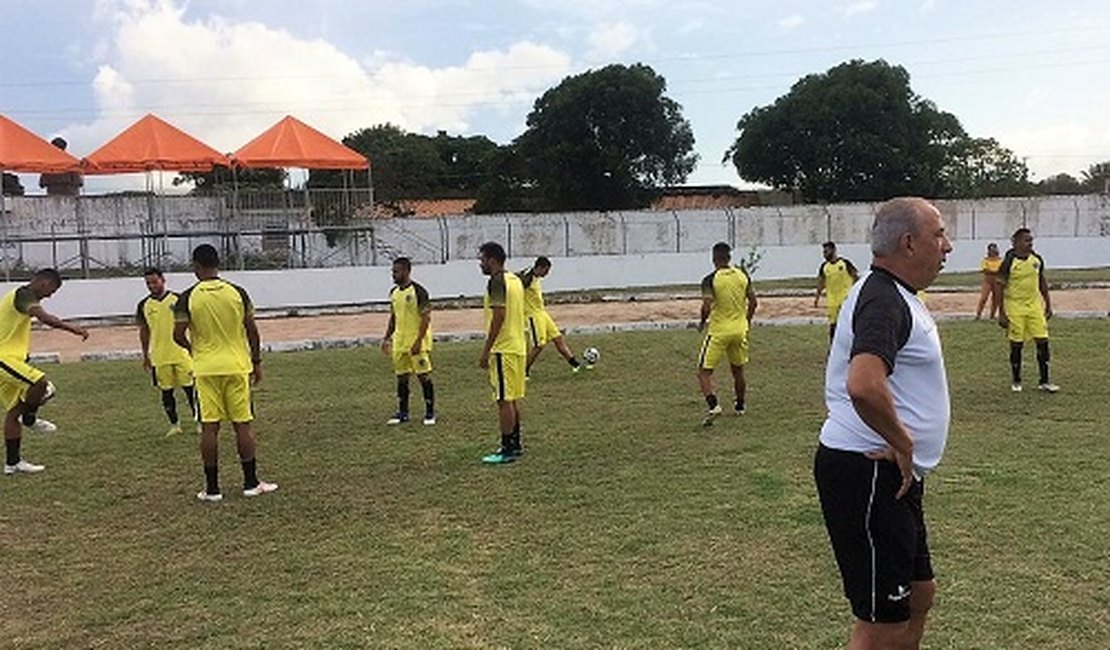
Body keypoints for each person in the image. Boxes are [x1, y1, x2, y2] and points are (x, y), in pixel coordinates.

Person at [814, 197, 952, 650]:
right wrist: (904, 442)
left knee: (919, 594)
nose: (947, 246)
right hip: (869, 472)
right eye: (939, 235)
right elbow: (864, 384)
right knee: (880, 627)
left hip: (893, 474)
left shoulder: (897, 294)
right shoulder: (881, 298)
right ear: (908, 243)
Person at [173, 244, 277, 501]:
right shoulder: (237, 292)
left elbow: (178, 335)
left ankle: (212, 489)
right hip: (237, 366)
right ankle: (251, 483)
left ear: (196, 266)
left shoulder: (187, 297)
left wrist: (196, 349)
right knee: (243, 424)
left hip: (206, 369)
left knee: (210, 427)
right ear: (218, 263)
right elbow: (252, 330)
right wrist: (256, 361)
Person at [2, 269, 89, 475]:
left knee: (14, 412)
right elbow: (44, 317)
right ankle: (30, 418)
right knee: (41, 385)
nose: (51, 295)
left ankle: (12, 463)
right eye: (52, 290)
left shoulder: (21, 297)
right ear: (43, 282)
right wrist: (73, 329)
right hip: (3, 358)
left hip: (11, 359)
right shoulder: (23, 294)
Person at [697, 242, 757, 426]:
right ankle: (740, 406)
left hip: (719, 331)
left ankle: (713, 405)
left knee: (703, 372)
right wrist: (746, 322)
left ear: (713, 258)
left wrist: (701, 322)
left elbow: (706, 306)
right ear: (729, 258)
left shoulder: (710, 279)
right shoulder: (742, 275)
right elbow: (754, 303)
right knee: (738, 370)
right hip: (739, 330)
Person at [477, 241, 526, 464]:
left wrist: (486, 350)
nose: (480, 264)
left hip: (502, 348)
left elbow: (499, 315)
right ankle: (515, 444)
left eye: (482, 259)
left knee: (503, 400)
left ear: (492, 260)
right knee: (512, 398)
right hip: (517, 346)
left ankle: (506, 448)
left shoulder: (496, 282)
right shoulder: (514, 280)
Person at [137, 267, 198, 437]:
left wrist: (194, 348)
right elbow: (144, 330)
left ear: (163, 280)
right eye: (148, 283)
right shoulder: (144, 305)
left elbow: (192, 323)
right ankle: (174, 425)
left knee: (191, 390)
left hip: (181, 354)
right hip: (160, 357)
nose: (151, 286)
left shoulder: (177, 300)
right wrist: (145, 355)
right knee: (166, 393)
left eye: (154, 282)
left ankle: (199, 422)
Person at [995, 228, 1058, 393]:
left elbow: (1041, 281)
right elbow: (999, 287)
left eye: (1031, 241)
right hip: (1015, 307)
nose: (1029, 244)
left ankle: (1044, 381)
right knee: (1017, 344)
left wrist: (1048, 304)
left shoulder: (1036, 260)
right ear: (1015, 243)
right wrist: (1001, 312)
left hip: (1034, 307)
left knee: (1043, 341)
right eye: (1026, 240)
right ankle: (1016, 380)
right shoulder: (1009, 262)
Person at [380, 257, 436, 425]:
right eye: (393, 271)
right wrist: (386, 338)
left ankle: (430, 413)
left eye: (396, 271)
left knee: (423, 376)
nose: (393, 275)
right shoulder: (394, 293)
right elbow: (393, 317)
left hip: (416, 343)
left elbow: (426, 318)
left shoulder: (419, 292)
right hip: (400, 343)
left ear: (406, 271)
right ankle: (403, 412)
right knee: (402, 377)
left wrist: (419, 341)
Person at [519, 256, 584, 377]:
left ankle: (575, 364)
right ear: (539, 268)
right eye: (546, 271)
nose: (547, 274)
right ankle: (523, 371)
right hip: (532, 315)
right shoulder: (526, 278)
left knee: (558, 338)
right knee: (539, 345)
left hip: (542, 313)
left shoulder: (533, 275)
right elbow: (515, 284)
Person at [814, 241, 860, 341]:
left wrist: (859, 292)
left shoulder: (844, 263)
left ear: (833, 250)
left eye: (826, 251)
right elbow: (820, 282)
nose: (824, 254)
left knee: (848, 324)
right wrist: (817, 298)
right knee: (833, 327)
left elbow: (856, 277)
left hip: (846, 300)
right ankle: (834, 349)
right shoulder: (824, 267)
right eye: (823, 252)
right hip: (832, 302)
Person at [975, 243, 1002, 320]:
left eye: (994, 249)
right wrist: (995, 271)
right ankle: (978, 315)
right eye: (991, 250)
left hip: (997, 281)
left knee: (996, 299)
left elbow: (1001, 270)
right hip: (988, 281)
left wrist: (993, 271)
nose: (993, 251)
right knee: (983, 298)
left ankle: (992, 315)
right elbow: (985, 270)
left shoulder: (1000, 260)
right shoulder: (985, 260)